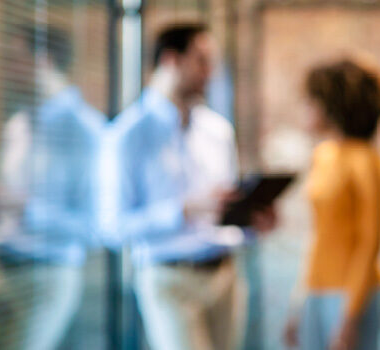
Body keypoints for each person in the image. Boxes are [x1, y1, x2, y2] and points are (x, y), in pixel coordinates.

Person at [110, 23, 275, 350]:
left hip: (224, 277)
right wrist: (183, 210)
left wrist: (251, 222)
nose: (209, 72)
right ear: (172, 60)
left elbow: (223, 210)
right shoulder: (129, 135)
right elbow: (114, 227)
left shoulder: (218, 131)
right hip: (169, 281)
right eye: (201, 61)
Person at [0, 25, 104, 350]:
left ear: (43, 60)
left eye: (16, 59)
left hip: (50, 277)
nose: (8, 70)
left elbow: (94, 226)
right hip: (6, 271)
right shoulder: (17, 126)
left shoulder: (85, 130)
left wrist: (24, 209)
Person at [284, 58, 380, 350]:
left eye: (311, 100)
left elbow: (370, 244)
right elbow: (318, 238)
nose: (305, 108)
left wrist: (350, 316)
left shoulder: (366, 161)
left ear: (331, 106)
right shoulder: (323, 155)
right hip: (317, 291)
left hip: (352, 294)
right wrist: (297, 304)